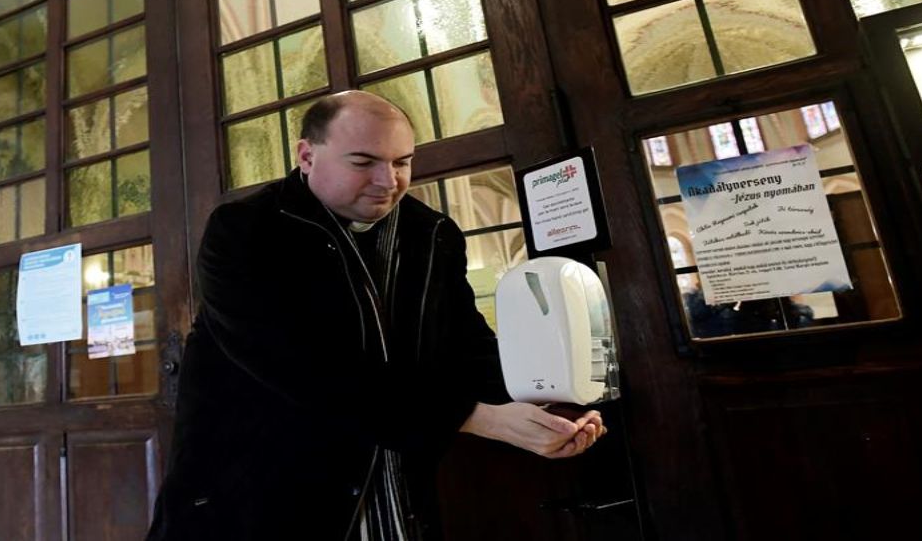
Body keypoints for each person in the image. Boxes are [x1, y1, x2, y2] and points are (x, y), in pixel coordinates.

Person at [146, 91, 605, 540]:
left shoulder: (431, 232)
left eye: (402, 162)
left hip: (394, 482)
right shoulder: (244, 230)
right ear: (307, 155)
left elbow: (466, 344)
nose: (389, 181)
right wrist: (471, 417)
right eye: (364, 162)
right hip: (261, 489)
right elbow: (298, 367)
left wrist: (546, 406)